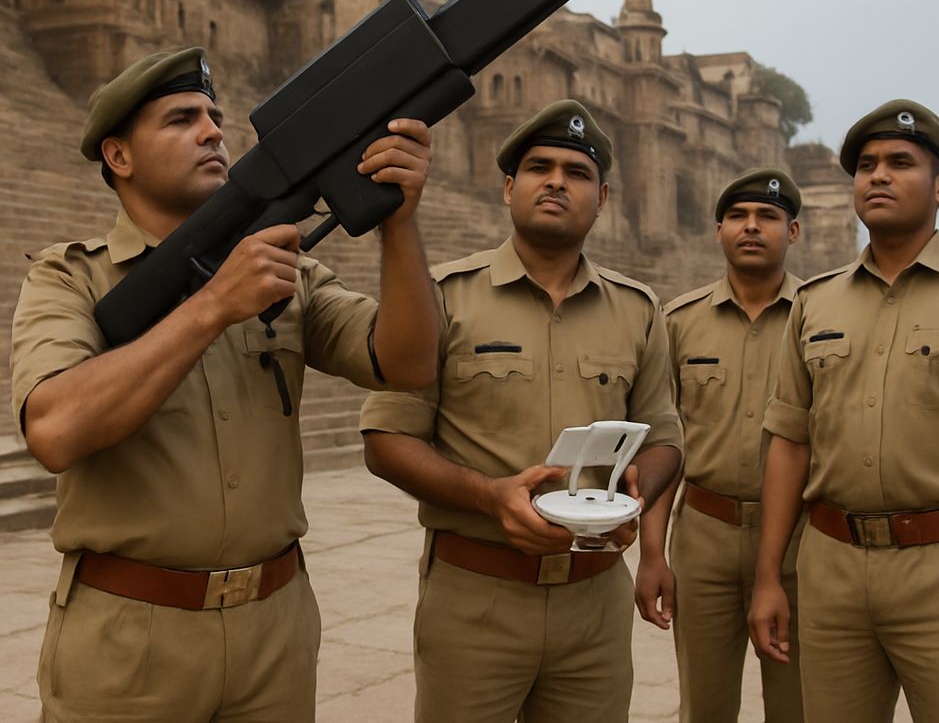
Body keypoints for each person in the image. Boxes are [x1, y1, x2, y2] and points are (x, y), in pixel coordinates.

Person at [10, 47, 440, 723]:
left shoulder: (282, 269)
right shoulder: (69, 279)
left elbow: (408, 364)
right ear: (118, 157)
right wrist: (212, 306)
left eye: (214, 116)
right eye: (182, 119)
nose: (213, 131)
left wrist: (400, 222)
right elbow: (56, 430)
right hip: (129, 645)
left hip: (275, 631)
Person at [359, 99, 682, 723]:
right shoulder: (441, 297)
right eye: (539, 167)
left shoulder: (639, 310)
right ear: (509, 188)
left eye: (577, 172)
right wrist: (487, 496)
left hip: (595, 603)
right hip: (477, 596)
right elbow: (386, 440)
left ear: (604, 198)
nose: (557, 181)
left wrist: (640, 490)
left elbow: (664, 435)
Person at [748, 99, 939, 723]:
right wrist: (769, 577)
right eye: (866, 165)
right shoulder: (815, 304)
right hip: (831, 570)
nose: (878, 175)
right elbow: (790, 444)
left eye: (901, 162)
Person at [635, 167, 806, 723]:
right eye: (737, 216)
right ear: (718, 231)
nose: (751, 227)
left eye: (768, 217)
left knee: (799, 704)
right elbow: (666, 443)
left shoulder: (822, 317)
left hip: (803, 544)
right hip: (704, 537)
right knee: (704, 706)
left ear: (794, 232)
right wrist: (653, 552)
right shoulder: (679, 321)